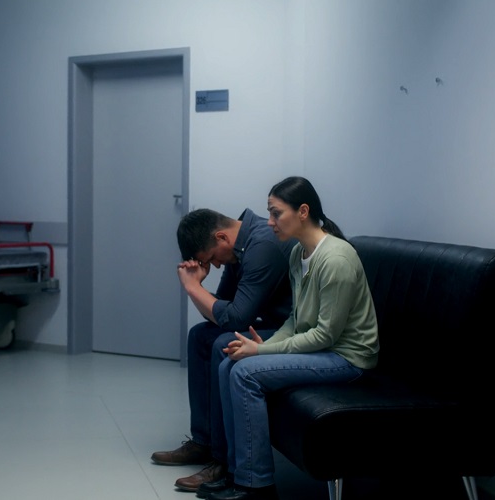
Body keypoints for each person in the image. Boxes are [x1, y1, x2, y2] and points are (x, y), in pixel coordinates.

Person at [203, 177, 380, 500]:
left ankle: (256, 487)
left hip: (348, 358)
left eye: (275, 213)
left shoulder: (336, 259)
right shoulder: (299, 253)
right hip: (323, 348)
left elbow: (326, 334)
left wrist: (262, 351)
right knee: (231, 361)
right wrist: (262, 348)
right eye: (268, 214)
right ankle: (235, 473)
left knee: (245, 372)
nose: (269, 222)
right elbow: (297, 319)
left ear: (303, 211)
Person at [151, 208, 296, 493]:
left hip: (290, 330)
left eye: (212, 259)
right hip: (268, 324)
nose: (215, 266)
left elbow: (235, 318)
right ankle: (203, 442)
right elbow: (223, 310)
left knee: (223, 343)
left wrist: (193, 289)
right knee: (200, 336)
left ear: (221, 237)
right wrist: (198, 288)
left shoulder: (262, 245)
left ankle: (222, 460)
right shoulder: (237, 245)